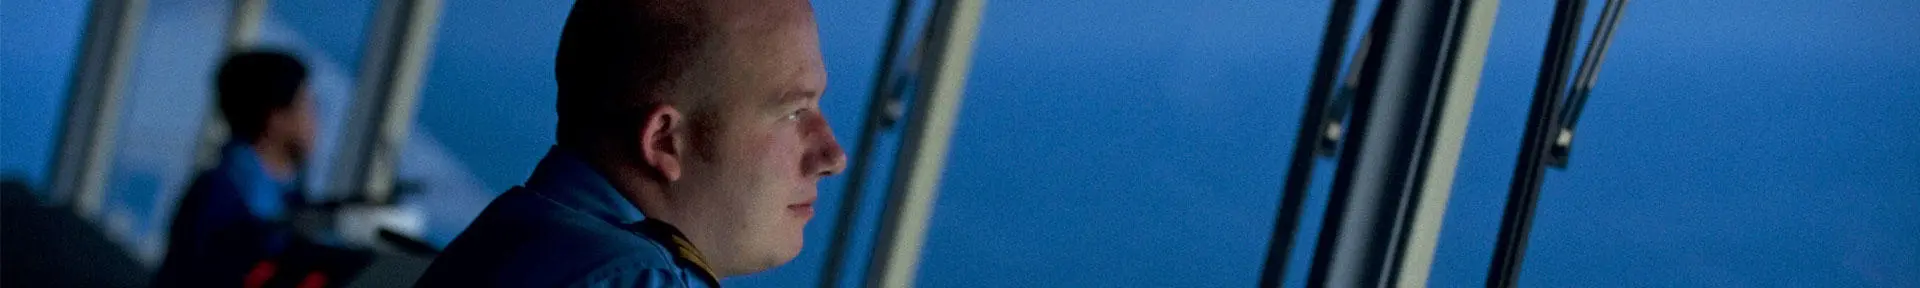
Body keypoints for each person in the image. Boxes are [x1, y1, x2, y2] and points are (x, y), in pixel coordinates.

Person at [413, 0, 845, 286]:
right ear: (664, 141)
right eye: (793, 112)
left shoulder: (514, 238)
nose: (833, 156)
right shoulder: (633, 278)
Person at [155, 51, 334, 287]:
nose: (315, 119)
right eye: (307, 105)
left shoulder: (291, 202)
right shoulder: (220, 198)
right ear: (276, 117)